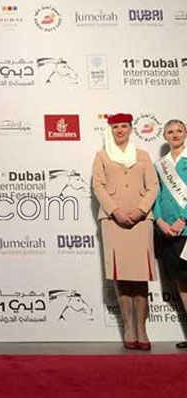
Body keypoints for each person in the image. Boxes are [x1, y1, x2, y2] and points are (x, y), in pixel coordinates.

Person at [92, 113, 159, 351]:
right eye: (115, 127)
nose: (120, 130)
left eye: (124, 126)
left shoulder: (143, 155)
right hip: (114, 222)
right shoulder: (102, 156)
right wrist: (115, 211)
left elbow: (153, 186)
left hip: (141, 222)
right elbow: (98, 186)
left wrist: (141, 211)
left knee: (140, 276)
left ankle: (142, 328)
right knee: (121, 276)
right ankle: (129, 327)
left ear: (131, 129)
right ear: (110, 130)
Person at [153, 119, 187, 348]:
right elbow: (156, 195)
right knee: (181, 282)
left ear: (186, 133)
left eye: (179, 131)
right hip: (168, 231)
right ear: (165, 136)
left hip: (186, 228)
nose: (175, 135)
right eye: (170, 132)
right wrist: (159, 220)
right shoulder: (160, 164)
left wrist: (183, 218)